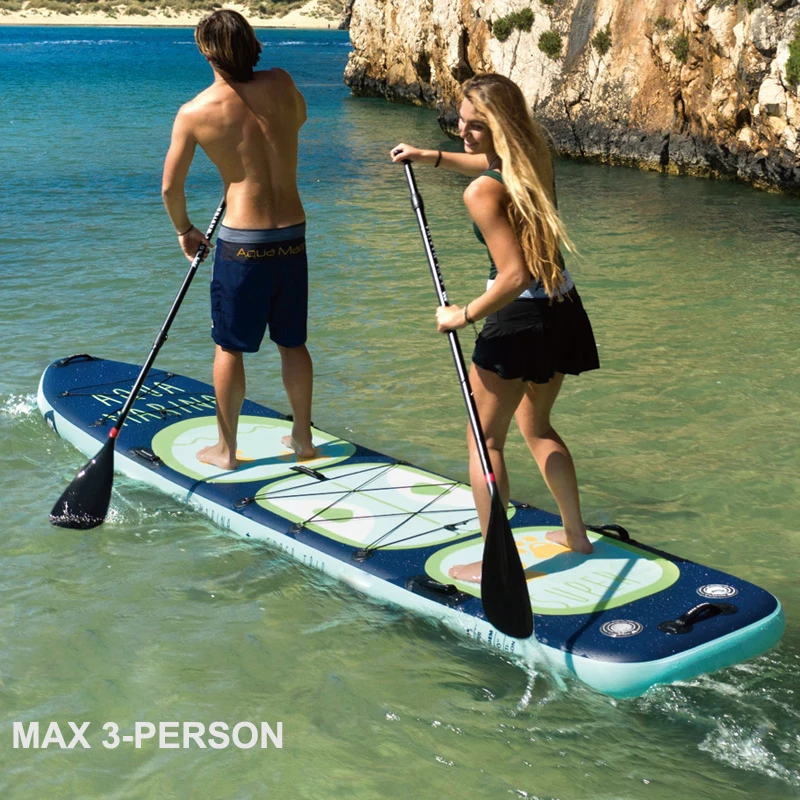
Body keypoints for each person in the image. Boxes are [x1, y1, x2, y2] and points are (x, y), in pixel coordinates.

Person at [391, 73, 599, 583]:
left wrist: (461, 315)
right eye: (461, 122)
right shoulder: (534, 158)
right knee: (537, 427)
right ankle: (576, 535)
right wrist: (429, 156)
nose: (463, 133)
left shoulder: (481, 193)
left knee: (485, 443)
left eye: (476, 126)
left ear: (500, 127)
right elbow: (486, 164)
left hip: (517, 319)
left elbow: (514, 276)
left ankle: (496, 566)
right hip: (562, 307)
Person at [162, 9, 317, 469]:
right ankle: (303, 439)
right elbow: (299, 119)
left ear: (205, 52)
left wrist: (184, 230)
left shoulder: (195, 112)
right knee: (292, 342)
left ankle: (226, 451)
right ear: (252, 44)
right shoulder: (282, 82)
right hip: (292, 235)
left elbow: (170, 188)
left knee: (230, 346)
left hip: (243, 243)